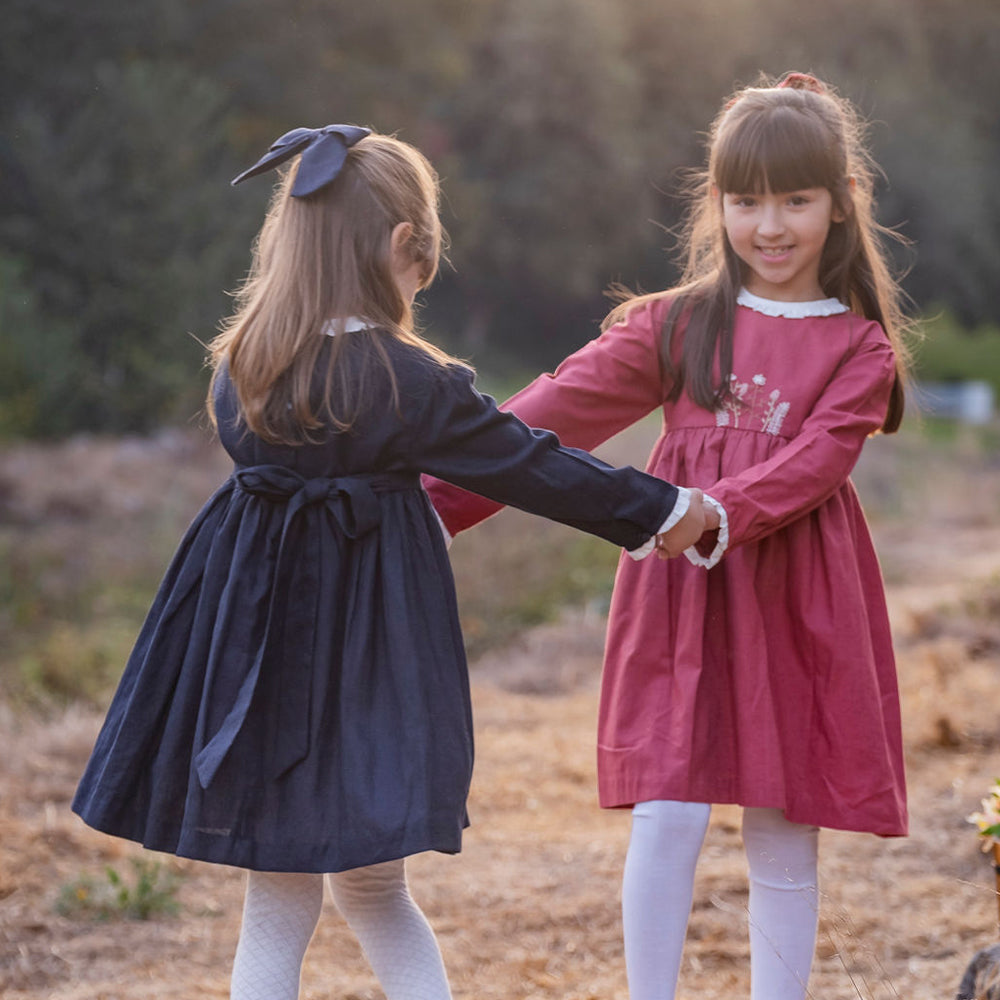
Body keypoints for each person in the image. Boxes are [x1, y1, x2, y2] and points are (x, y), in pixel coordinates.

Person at [70, 124, 705, 1000]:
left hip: (254, 653)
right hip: (370, 657)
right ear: (407, 244)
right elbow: (530, 464)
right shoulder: (409, 380)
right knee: (376, 891)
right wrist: (661, 508)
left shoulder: (242, 365)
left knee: (275, 901)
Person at [424, 72, 912, 1000]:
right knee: (668, 808)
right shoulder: (680, 324)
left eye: (796, 201)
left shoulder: (859, 348)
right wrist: (431, 499)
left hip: (796, 599)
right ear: (717, 202)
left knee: (783, 825)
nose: (769, 225)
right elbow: (547, 417)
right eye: (746, 200)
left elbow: (819, 461)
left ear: (841, 203)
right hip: (680, 594)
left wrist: (716, 511)